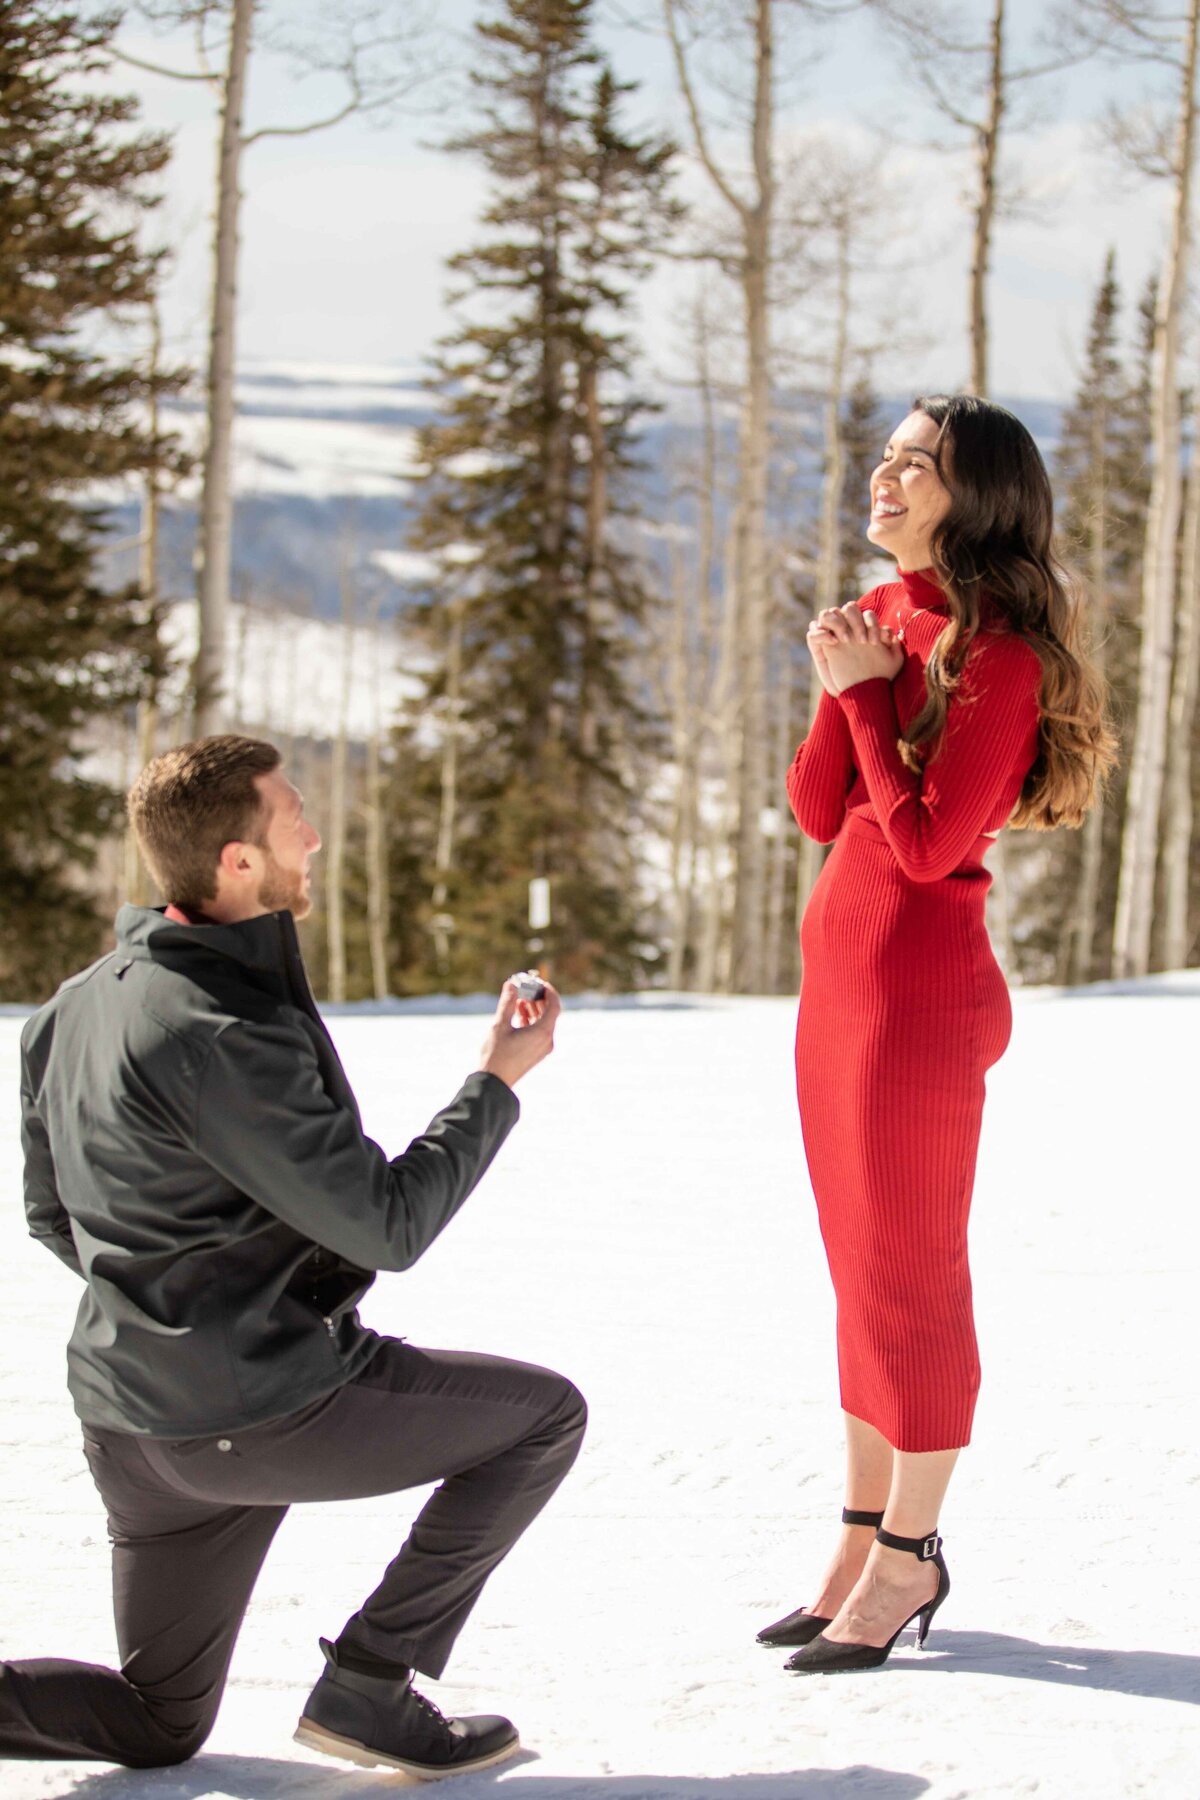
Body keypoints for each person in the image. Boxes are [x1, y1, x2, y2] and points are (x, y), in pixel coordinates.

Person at [2, 734, 585, 1775]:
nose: (312, 836)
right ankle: (369, 1686)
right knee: (542, 1421)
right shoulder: (222, 1029)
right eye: (292, 817)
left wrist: (174, 1309)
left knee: (157, 1723)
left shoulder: (71, 1009)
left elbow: (57, 1219)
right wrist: (496, 1081)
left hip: (130, 1427)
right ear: (237, 861)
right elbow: (389, 1225)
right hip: (249, 1415)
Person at [759, 394, 1115, 1674]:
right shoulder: (892, 615)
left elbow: (923, 848)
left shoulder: (1001, 655)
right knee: (858, 1272)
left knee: (914, 1278)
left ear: (980, 499)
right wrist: (837, 685)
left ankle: (913, 1556)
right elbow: (817, 811)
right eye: (890, 453)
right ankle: (861, 1532)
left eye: (920, 462)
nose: (887, 471)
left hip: (918, 998)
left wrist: (868, 697)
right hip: (840, 995)